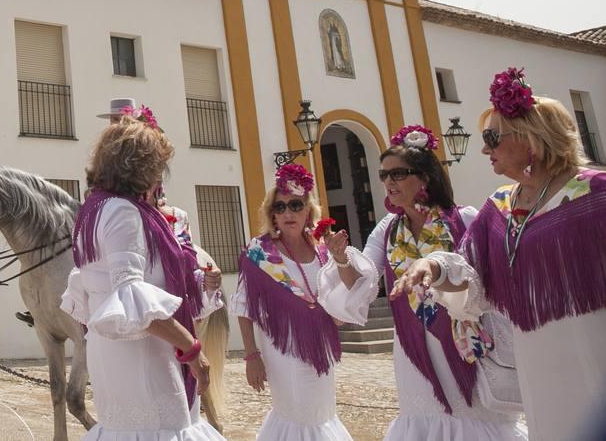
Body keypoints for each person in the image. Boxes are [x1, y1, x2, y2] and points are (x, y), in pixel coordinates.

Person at [393, 68, 606, 440]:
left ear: (531, 138)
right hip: (537, 366)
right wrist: (435, 266)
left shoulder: (594, 195)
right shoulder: (500, 208)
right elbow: (472, 282)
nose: (484, 149)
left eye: (492, 137)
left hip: (593, 352)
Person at [320, 125, 525, 440]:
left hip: (464, 340)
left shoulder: (465, 219)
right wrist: (342, 259)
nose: (389, 182)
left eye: (398, 173)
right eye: (384, 176)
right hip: (412, 346)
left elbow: (493, 282)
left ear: (425, 176)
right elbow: (364, 283)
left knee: (471, 418)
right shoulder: (387, 230)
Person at [60, 109, 225, 439]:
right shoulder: (123, 211)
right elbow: (131, 296)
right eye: (158, 166)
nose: (160, 176)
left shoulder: (94, 208)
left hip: (115, 350)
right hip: (142, 353)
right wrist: (192, 349)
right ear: (141, 168)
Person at [232, 162, 376, 439]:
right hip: (281, 346)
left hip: (320, 342)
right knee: (296, 411)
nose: (288, 213)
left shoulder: (322, 249)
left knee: (321, 411)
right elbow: (243, 306)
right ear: (272, 214)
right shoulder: (258, 252)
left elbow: (350, 288)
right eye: (280, 207)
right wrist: (252, 355)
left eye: (296, 205)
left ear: (308, 209)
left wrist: (341, 258)